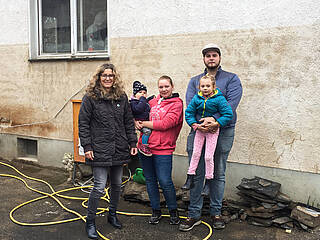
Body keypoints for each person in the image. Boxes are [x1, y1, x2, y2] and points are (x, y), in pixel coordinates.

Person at [179, 44, 242, 231]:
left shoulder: (232, 79)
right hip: (198, 131)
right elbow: (190, 105)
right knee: (196, 172)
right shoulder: (195, 81)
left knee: (218, 172)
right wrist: (200, 124)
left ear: (219, 58)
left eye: (214, 55)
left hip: (223, 131)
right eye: (207, 56)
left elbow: (231, 104)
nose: (211, 58)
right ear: (204, 59)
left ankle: (216, 213)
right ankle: (193, 214)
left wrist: (215, 121)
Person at [78, 63, 138, 239]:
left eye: (110, 75)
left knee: (117, 185)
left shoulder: (122, 97)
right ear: (99, 78)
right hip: (99, 149)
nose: (107, 78)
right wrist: (87, 146)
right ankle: (90, 221)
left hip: (119, 148)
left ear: (115, 78)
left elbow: (128, 122)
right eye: (104, 75)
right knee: (98, 187)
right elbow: (83, 124)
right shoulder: (90, 98)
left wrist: (132, 142)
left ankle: (112, 214)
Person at [135, 75, 183, 225]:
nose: (163, 89)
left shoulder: (177, 104)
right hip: (145, 147)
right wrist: (136, 121)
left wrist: (145, 123)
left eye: (166, 86)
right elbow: (137, 112)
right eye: (161, 87)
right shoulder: (151, 101)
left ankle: (173, 211)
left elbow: (165, 124)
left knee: (165, 181)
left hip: (163, 149)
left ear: (172, 86)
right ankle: (155, 210)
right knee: (150, 180)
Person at [181, 74, 233, 195]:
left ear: (214, 86)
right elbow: (189, 112)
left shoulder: (219, 99)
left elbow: (228, 114)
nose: (205, 88)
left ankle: (208, 181)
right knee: (195, 153)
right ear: (199, 87)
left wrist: (217, 123)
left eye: (208, 86)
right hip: (199, 130)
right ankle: (190, 177)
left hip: (212, 131)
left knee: (208, 156)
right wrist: (195, 125)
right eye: (202, 86)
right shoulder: (197, 98)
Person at [130, 81, 154, 156]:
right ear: (135, 94)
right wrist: (143, 99)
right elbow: (138, 109)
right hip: (140, 122)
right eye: (140, 92)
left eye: (144, 92)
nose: (143, 94)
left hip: (145, 122)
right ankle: (144, 146)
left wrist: (150, 98)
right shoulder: (133, 102)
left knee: (150, 132)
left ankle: (145, 144)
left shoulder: (142, 101)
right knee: (147, 132)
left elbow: (144, 103)